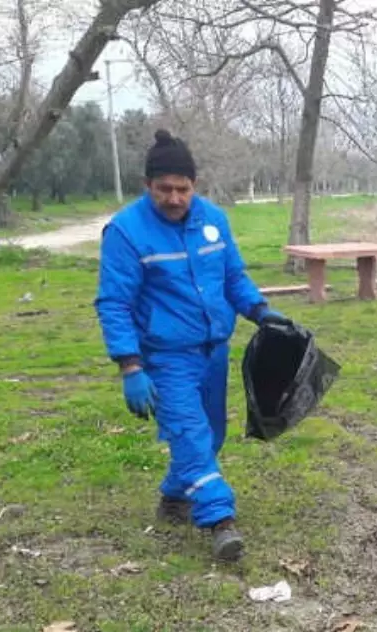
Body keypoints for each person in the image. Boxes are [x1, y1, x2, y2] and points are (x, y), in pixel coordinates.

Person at [94, 129, 291, 561]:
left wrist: (260, 311)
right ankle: (220, 520)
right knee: (190, 432)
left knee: (212, 435)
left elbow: (233, 276)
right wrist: (130, 366)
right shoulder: (126, 232)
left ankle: (173, 496)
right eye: (164, 189)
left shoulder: (213, 220)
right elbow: (113, 303)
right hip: (165, 357)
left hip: (214, 351)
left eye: (182, 189)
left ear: (193, 186)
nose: (174, 198)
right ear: (147, 186)